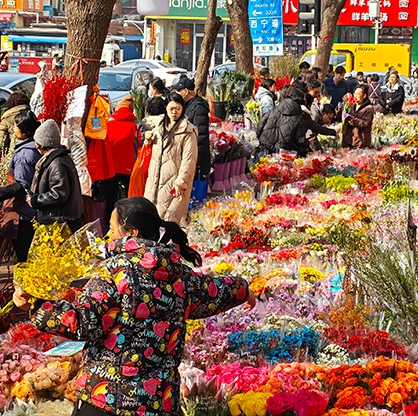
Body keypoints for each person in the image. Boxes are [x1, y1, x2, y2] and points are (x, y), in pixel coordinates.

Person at [14, 196, 252, 416]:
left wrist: (37, 306)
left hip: (108, 400)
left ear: (132, 233)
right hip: (159, 402)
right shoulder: (180, 273)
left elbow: (85, 323)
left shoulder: (115, 271)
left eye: (111, 227)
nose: (107, 234)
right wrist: (245, 290)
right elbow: (216, 291)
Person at [0, 111, 41, 262]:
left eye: (16, 125)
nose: (13, 128)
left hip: (22, 211)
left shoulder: (25, 154)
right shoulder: (34, 148)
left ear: (24, 131)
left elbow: (22, 186)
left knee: (24, 254)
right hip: (31, 210)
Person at [144, 92, 198, 224]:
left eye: (178, 109)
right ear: (166, 109)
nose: (175, 112)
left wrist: (181, 182)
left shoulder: (188, 132)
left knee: (169, 220)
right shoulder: (158, 127)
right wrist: (147, 141)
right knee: (150, 217)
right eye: (171, 109)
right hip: (154, 181)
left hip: (174, 183)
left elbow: (189, 160)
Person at [29, 120, 83, 228]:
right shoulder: (56, 159)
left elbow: (58, 194)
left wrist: (35, 200)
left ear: (40, 145)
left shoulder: (57, 164)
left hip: (59, 221)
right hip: (57, 218)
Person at [105, 96, 139, 225]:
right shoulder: (136, 125)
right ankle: (129, 222)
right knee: (130, 197)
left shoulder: (108, 124)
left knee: (110, 197)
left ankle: (109, 222)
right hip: (129, 167)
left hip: (111, 167)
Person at [171, 77, 210, 181]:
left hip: (195, 158)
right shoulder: (188, 106)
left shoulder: (198, 108)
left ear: (186, 91)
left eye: (179, 91)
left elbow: (201, 136)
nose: (177, 93)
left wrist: (197, 161)